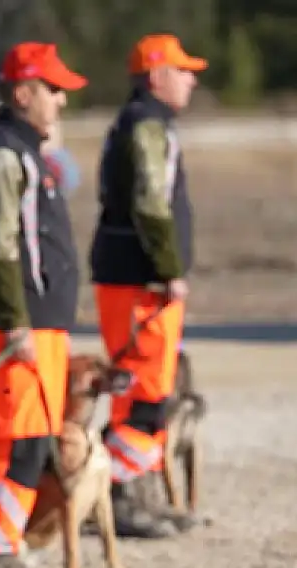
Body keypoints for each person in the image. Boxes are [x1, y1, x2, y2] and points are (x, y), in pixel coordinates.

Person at [0, 41, 87, 568]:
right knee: (14, 442)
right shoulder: (5, 156)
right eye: (53, 89)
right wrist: (14, 324)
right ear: (24, 92)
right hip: (19, 328)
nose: (61, 100)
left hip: (42, 326)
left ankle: (6, 545)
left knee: (33, 442)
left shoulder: (29, 153)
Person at [88, 33, 206, 539]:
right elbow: (151, 204)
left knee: (147, 387)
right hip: (141, 279)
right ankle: (124, 493)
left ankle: (135, 490)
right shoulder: (148, 125)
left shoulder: (143, 123)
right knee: (142, 390)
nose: (192, 78)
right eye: (183, 70)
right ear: (157, 76)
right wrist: (169, 268)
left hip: (133, 276)